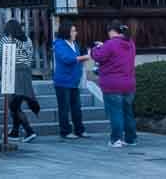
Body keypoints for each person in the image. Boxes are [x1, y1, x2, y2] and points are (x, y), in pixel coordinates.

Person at [90, 20, 137, 148]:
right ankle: (131, 138)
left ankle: (116, 139)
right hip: (129, 83)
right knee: (128, 112)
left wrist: (95, 48)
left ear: (111, 31)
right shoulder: (131, 43)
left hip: (112, 84)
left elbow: (98, 56)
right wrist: (104, 45)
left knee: (115, 112)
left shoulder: (110, 44)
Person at [0, 19, 40, 143]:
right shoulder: (28, 40)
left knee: (13, 105)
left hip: (13, 73)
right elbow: (31, 56)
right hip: (26, 73)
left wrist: (0, 68)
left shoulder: (7, 39)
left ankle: (29, 131)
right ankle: (15, 132)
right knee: (17, 104)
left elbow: (0, 56)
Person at [53, 20, 91, 139]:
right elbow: (67, 59)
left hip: (74, 80)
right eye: (73, 31)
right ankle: (65, 131)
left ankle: (79, 130)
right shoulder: (59, 44)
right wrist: (84, 57)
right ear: (66, 32)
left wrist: (82, 58)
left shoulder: (75, 44)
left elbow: (75, 58)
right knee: (64, 108)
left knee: (76, 107)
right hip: (63, 81)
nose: (76, 33)